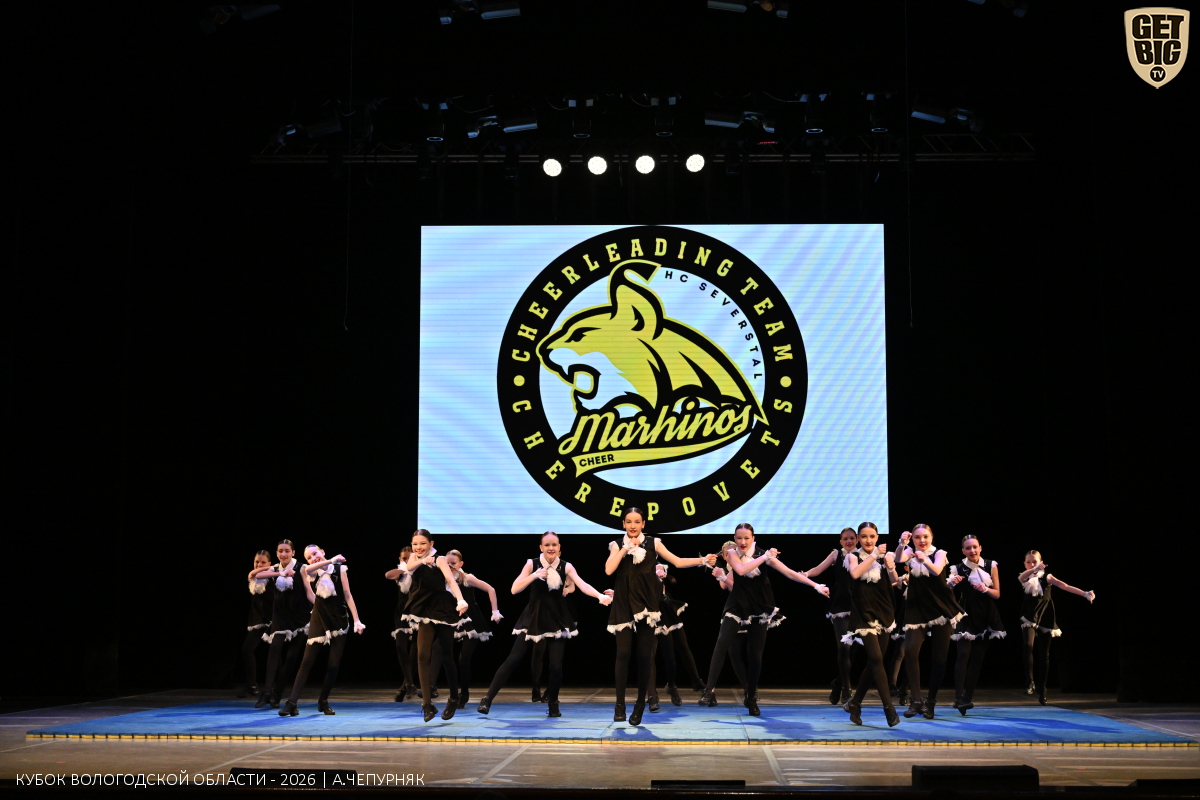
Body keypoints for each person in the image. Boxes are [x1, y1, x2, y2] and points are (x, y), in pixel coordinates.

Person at [699, 523, 829, 716]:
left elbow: (790, 573)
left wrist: (816, 586)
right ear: (734, 539)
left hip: (760, 605)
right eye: (739, 538)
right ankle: (709, 691)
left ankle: (751, 696)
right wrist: (764, 557)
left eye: (746, 538)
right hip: (737, 603)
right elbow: (741, 570)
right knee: (722, 641)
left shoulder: (763, 554)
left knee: (755, 656)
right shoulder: (734, 553)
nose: (742, 542)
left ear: (753, 538)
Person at [477, 532, 611, 718]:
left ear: (559, 547)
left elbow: (582, 584)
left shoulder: (566, 566)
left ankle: (553, 704)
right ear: (541, 547)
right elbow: (514, 589)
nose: (551, 548)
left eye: (554, 545)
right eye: (547, 545)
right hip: (533, 617)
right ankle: (487, 699)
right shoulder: (532, 564)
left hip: (557, 619)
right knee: (513, 659)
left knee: (556, 666)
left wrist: (599, 596)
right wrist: (534, 575)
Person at [605, 507, 717, 726]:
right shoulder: (617, 544)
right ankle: (619, 705)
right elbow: (609, 570)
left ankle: (640, 704)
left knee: (644, 656)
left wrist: (702, 560)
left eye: (637, 521)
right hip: (624, 603)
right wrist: (626, 547)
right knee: (623, 653)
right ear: (623, 524)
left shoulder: (653, 543)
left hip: (647, 605)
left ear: (643, 524)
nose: (633, 526)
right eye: (629, 522)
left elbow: (677, 561)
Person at [279, 545, 365, 717]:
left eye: (315, 553)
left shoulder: (340, 569)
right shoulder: (312, 571)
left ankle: (323, 701)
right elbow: (307, 569)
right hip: (319, 617)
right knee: (306, 662)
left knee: (333, 665)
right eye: (309, 557)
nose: (313, 558)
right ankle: (291, 703)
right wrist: (330, 560)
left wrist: (357, 620)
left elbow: (347, 594)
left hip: (338, 618)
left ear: (322, 551)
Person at [399, 530, 470, 722]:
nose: (418, 547)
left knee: (446, 656)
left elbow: (450, 579)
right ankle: (427, 705)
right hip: (423, 608)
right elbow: (408, 568)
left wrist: (460, 600)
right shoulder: (414, 558)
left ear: (431, 544)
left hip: (442, 608)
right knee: (423, 655)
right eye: (415, 544)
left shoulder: (440, 559)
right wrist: (422, 561)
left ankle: (454, 698)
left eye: (423, 543)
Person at [896, 523, 965, 719]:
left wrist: (924, 559)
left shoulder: (939, 553)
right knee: (910, 650)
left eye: (925, 536)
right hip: (917, 608)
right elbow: (899, 558)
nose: (922, 540)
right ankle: (916, 700)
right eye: (917, 537)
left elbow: (936, 571)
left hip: (939, 606)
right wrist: (902, 543)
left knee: (939, 659)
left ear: (931, 537)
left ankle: (931, 701)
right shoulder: (910, 552)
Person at [839, 522, 902, 727]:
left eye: (872, 536)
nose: (868, 540)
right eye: (864, 536)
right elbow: (855, 573)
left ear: (877, 537)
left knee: (875, 662)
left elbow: (894, 580)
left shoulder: (885, 556)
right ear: (858, 538)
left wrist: (891, 567)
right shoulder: (853, 557)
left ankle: (855, 703)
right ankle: (889, 708)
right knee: (875, 658)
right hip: (863, 612)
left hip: (884, 611)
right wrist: (875, 555)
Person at [1018, 550, 1096, 705]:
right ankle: (1029, 681)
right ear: (1024, 564)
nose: (1032, 564)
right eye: (1028, 562)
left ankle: (1043, 688)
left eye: (1035, 562)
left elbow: (1064, 586)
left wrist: (1085, 593)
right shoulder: (1026, 577)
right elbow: (1021, 577)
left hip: (1045, 614)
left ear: (1041, 562)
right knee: (1028, 645)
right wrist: (1034, 569)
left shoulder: (1047, 577)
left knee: (1044, 654)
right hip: (1030, 614)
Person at [428, 549, 502, 707]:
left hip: (471, 622)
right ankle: (431, 686)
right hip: (453, 620)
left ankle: (464, 693)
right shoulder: (442, 579)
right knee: (437, 647)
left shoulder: (467, 578)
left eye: (453, 563)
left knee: (463, 660)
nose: (450, 566)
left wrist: (495, 611)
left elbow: (491, 589)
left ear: (461, 564)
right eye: (447, 563)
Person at [946, 535, 1005, 715]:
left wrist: (986, 589)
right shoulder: (957, 568)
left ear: (980, 548)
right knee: (963, 654)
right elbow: (947, 591)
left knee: (977, 658)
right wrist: (951, 583)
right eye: (968, 548)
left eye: (974, 547)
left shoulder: (991, 565)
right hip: (966, 614)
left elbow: (997, 594)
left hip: (986, 614)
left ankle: (967, 699)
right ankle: (958, 697)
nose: (972, 551)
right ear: (963, 551)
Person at [254, 539, 315, 709]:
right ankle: (267, 692)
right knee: (274, 650)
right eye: (280, 551)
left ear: (293, 553)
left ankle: (278, 693)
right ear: (276, 553)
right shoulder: (274, 569)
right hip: (280, 617)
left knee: (291, 658)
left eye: (287, 551)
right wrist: (279, 574)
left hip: (300, 618)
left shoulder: (301, 568)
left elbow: (309, 592)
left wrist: (321, 609)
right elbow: (255, 575)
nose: (283, 554)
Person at [804, 527, 860, 705]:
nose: (849, 541)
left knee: (853, 651)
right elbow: (818, 569)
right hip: (840, 605)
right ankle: (846, 688)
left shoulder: (864, 555)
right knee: (844, 647)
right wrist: (805, 574)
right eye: (845, 539)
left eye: (852, 538)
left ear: (857, 539)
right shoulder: (837, 554)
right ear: (841, 541)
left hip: (859, 606)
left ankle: (838, 683)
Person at [646, 563, 706, 710]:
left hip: (667, 611)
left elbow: (672, 583)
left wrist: (661, 577)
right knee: (649, 656)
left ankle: (676, 685)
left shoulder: (664, 578)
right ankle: (652, 695)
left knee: (673, 655)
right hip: (649, 613)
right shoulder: (642, 574)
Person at [701, 541, 750, 704]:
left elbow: (739, 588)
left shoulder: (744, 564)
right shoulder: (729, 568)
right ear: (723, 555)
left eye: (733, 551)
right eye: (727, 553)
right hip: (734, 610)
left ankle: (750, 691)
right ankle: (710, 691)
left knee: (753, 653)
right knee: (731, 652)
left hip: (750, 610)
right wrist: (720, 572)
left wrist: (722, 576)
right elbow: (724, 585)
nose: (731, 554)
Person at [385, 546, 419, 702]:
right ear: (400, 559)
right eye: (404, 558)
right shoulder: (400, 573)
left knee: (414, 654)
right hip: (402, 612)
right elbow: (388, 575)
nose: (406, 560)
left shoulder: (420, 571)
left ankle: (405, 687)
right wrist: (405, 567)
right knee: (400, 646)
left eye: (409, 558)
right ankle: (409, 684)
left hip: (418, 612)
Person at [240, 550, 273, 698]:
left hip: (270, 620)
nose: (259, 565)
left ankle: (275, 687)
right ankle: (252, 685)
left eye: (263, 562)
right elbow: (252, 574)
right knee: (247, 649)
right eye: (257, 562)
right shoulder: (255, 578)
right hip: (258, 620)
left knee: (275, 654)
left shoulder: (272, 577)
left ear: (269, 564)